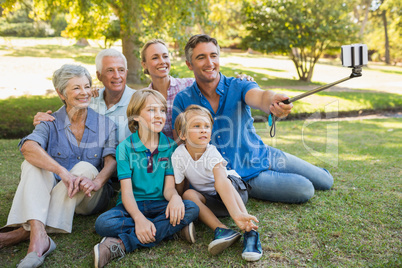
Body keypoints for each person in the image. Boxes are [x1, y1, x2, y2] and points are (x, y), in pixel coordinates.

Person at [172, 34, 334, 204]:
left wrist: (273, 100)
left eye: (213, 55)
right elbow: (182, 144)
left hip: (264, 154)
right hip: (243, 176)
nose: (210, 62)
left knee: (325, 181)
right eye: (201, 57)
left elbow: (261, 97)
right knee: (304, 188)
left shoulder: (239, 85)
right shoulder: (183, 99)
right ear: (189, 64)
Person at [0, 64, 117, 267]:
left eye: (87, 86)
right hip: (60, 190)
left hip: (89, 196)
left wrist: (98, 182)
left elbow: (111, 161)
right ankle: (38, 240)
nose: (84, 93)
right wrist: (61, 171)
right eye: (76, 88)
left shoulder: (107, 125)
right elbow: (28, 147)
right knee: (32, 166)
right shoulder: (49, 121)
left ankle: (20, 233)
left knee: (85, 168)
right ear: (61, 93)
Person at [93, 89, 199, 268]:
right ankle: (171, 230)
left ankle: (122, 244)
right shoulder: (125, 148)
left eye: (162, 110)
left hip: (160, 205)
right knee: (103, 223)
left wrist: (174, 198)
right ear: (135, 116)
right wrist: (139, 219)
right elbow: (126, 193)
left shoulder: (170, 147)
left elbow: (168, 188)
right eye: (151, 110)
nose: (159, 116)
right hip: (131, 205)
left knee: (190, 208)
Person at [172, 105, 262, 261]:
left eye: (207, 126)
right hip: (215, 201)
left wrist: (236, 214)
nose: (204, 130)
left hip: (235, 192)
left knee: (224, 181)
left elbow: (221, 182)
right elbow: (179, 187)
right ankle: (222, 230)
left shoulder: (211, 152)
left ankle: (249, 230)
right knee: (188, 194)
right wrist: (178, 203)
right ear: (183, 134)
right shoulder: (178, 156)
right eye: (197, 126)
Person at [141, 39, 254, 139]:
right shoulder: (144, 99)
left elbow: (213, 79)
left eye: (165, 56)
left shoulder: (189, 85)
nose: (162, 61)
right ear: (144, 64)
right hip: (162, 156)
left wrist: (242, 80)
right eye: (155, 57)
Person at [33, 49, 136, 143]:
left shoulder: (139, 101)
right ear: (99, 75)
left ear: (126, 73)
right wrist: (45, 119)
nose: (117, 76)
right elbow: (64, 116)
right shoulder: (88, 99)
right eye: (110, 70)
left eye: (121, 70)